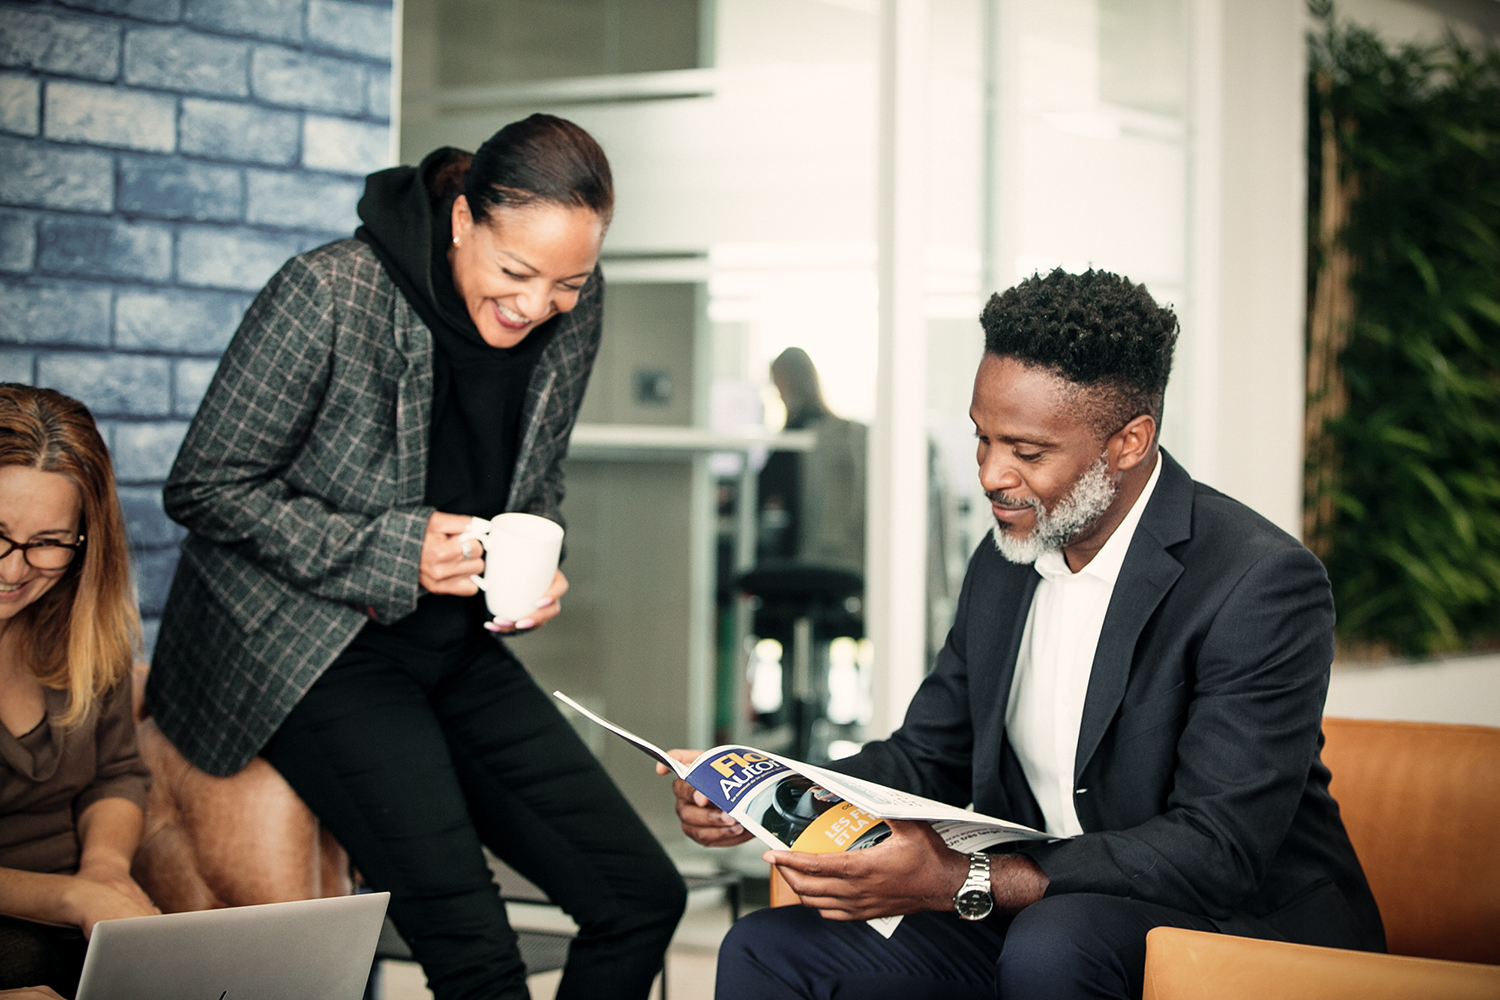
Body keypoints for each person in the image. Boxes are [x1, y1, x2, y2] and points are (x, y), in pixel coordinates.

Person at [666, 269, 1384, 999]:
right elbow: (928, 756)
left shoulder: (1257, 581)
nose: (990, 474)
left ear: (1129, 442)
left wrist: (964, 878)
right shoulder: (1008, 557)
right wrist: (773, 790)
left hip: (1239, 925)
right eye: (982, 438)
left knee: (1054, 942)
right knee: (770, 947)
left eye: (1028, 452)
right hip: (1046, 912)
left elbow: (1216, 850)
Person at [147, 115, 686, 1000]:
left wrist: (539, 557)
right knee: (478, 955)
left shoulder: (573, 305)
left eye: (566, 283)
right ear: (463, 218)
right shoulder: (329, 291)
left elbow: (535, 477)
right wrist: (393, 551)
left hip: (449, 639)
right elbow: (204, 486)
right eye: (516, 273)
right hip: (307, 647)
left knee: (639, 895)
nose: (536, 303)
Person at [0, 386, 156, 997]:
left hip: (75, 914)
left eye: (48, 542)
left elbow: (116, 772)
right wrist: (74, 897)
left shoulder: (84, 625)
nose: (14, 570)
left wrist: (105, 871)